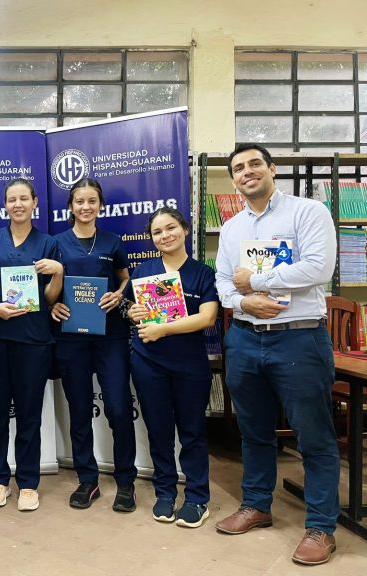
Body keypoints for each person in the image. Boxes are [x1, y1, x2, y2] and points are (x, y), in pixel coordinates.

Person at [214, 143, 339, 565]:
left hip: (298, 339)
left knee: (314, 435)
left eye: (254, 165)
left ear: (272, 169)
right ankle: (257, 505)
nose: (246, 172)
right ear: (233, 179)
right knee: (254, 431)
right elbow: (223, 282)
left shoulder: (307, 213)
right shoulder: (232, 228)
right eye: (238, 168)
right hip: (246, 338)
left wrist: (258, 280)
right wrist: (243, 301)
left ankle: (321, 527)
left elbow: (320, 267)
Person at [0, 177, 63, 512]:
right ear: (5, 204)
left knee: (29, 414)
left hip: (33, 340)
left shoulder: (48, 243)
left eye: (24, 198)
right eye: (12, 199)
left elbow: (52, 298)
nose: (18, 204)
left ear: (35, 202)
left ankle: (27, 482)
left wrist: (57, 273)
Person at [125, 207, 218, 528]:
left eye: (170, 228)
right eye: (157, 232)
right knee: (159, 432)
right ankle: (164, 493)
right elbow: (130, 308)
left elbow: (207, 318)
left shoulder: (203, 274)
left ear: (185, 230)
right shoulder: (143, 272)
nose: (165, 236)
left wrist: (163, 329)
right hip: (148, 363)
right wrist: (133, 312)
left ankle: (196, 498)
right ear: (151, 239)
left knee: (192, 433)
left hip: (190, 365)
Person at [49, 179, 137, 511]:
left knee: (117, 407)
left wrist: (121, 293)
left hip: (111, 336)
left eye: (92, 201)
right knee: (80, 409)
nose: (86, 207)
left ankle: (126, 481)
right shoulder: (56, 244)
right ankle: (88, 479)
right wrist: (51, 306)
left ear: (100, 205)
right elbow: (48, 290)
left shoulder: (113, 242)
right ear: (70, 207)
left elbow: (126, 276)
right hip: (71, 338)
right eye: (79, 201)